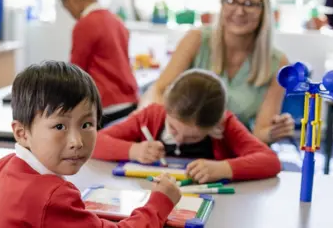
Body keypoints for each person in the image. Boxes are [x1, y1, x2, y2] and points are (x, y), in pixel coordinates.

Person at [0, 61, 182, 227]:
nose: (77, 141)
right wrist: (160, 202)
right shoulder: (54, 196)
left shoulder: (3, 168)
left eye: (87, 125)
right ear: (22, 133)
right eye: (59, 127)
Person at [139, 0, 294, 144]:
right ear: (221, 4)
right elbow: (160, 91)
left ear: (264, 11)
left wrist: (274, 132)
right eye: (231, 1)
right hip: (182, 144)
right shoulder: (196, 40)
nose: (239, 11)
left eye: (249, 4)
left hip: (232, 151)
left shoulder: (278, 64)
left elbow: (259, 134)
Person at [94, 69, 282, 183]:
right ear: (166, 107)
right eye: (173, 129)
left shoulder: (226, 125)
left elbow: (270, 161)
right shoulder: (151, 116)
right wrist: (133, 150)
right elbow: (94, 142)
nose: (179, 140)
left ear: (215, 125)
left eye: (193, 138)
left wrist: (224, 168)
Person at [59, 0, 139, 127]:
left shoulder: (85, 24)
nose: (70, 12)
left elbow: (76, 75)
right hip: (129, 104)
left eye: (66, 5)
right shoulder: (116, 20)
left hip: (106, 107)